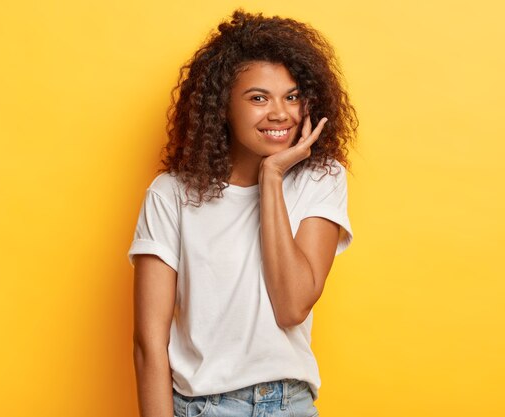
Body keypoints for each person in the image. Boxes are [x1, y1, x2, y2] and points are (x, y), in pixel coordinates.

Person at [128, 9, 357, 417]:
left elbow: (292, 306)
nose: (280, 113)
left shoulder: (320, 178)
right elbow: (149, 344)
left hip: (290, 405)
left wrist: (271, 177)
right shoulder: (172, 196)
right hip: (202, 407)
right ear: (222, 106)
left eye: (291, 96)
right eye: (258, 98)